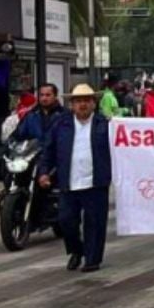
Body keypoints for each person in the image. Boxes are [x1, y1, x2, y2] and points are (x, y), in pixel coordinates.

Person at [38, 84, 111, 273]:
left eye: (87, 100)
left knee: (95, 223)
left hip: (96, 182)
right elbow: (49, 149)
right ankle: (76, 251)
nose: (83, 104)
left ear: (94, 103)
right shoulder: (61, 124)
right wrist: (44, 172)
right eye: (79, 101)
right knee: (66, 220)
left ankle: (92, 259)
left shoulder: (105, 124)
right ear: (72, 105)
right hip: (68, 181)